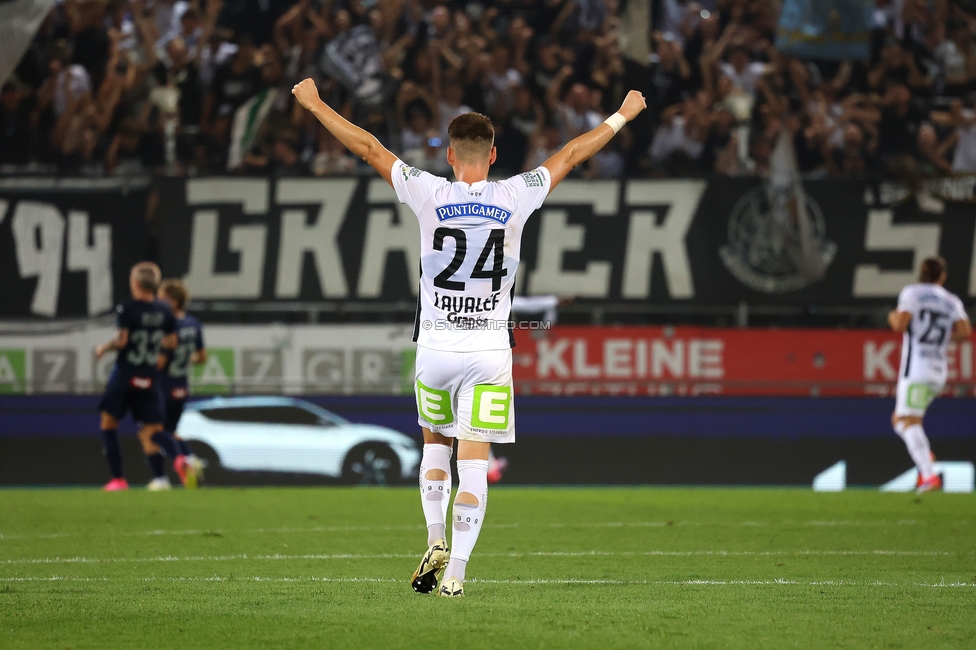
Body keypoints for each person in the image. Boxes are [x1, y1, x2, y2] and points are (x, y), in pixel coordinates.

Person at [292, 76, 646, 596]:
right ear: (494, 154)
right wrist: (621, 114)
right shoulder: (515, 194)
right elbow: (570, 154)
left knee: (435, 442)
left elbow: (368, 147)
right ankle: (455, 575)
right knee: (473, 460)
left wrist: (316, 103)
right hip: (488, 350)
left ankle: (434, 536)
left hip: (435, 346)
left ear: (451, 155)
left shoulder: (428, 191)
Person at [94, 262, 184, 491]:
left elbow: (122, 341)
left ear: (135, 283)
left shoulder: (127, 308)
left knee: (108, 422)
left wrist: (105, 347)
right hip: (149, 377)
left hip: (126, 375)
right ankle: (167, 472)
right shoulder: (164, 310)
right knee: (152, 430)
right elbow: (172, 342)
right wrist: (160, 361)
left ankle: (118, 479)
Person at [887, 257, 972, 493]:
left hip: (916, 370)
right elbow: (965, 331)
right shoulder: (950, 300)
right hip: (938, 370)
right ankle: (924, 454)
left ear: (920, 274)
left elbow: (900, 325)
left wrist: (892, 316)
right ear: (941, 276)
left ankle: (928, 475)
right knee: (899, 420)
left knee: (909, 422)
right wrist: (944, 340)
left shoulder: (912, 293)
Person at [157, 279, 208, 488]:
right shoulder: (193, 324)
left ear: (174, 302)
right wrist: (186, 359)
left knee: (152, 431)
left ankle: (182, 462)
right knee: (170, 431)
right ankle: (190, 458)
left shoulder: (169, 326)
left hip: (163, 385)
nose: (158, 304)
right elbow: (202, 357)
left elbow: (161, 362)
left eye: (162, 300)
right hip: (182, 387)